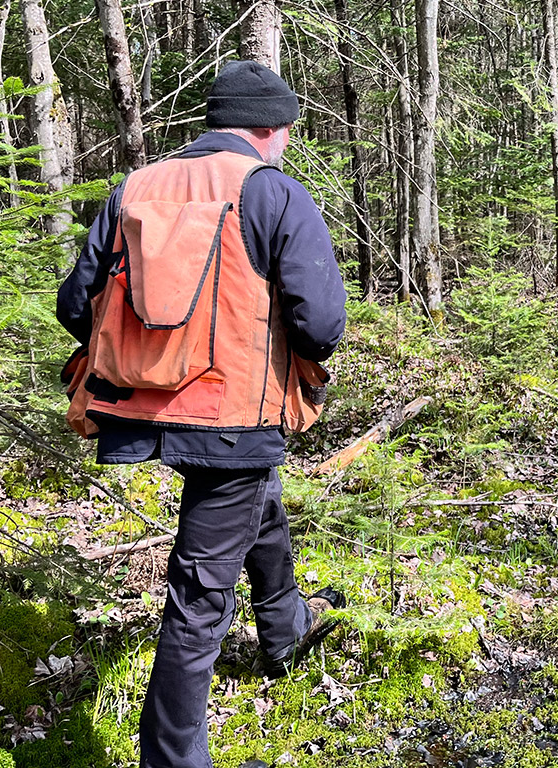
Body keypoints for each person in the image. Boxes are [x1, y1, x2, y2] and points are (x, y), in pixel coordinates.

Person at [57, 61, 347, 768]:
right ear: (270, 130)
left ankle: (284, 628)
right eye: (285, 134)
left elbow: (76, 305)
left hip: (137, 406)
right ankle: (173, 759)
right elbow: (323, 323)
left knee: (252, 496)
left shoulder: (136, 187)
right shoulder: (273, 191)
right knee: (197, 596)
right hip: (231, 415)